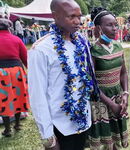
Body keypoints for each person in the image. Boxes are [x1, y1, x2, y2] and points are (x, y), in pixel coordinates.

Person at [28, 0, 98, 149]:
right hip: (59, 126)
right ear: (55, 16)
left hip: (83, 121)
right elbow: (37, 95)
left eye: (79, 16)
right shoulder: (41, 49)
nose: (78, 21)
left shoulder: (81, 42)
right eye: (71, 16)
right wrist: (48, 136)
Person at [88, 7, 129, 150]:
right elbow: (91, 83)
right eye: (109, 25)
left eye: (115, 24)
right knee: (105, 140)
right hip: (101, 99)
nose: (114, 28)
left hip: (117, 95)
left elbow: (123, 73)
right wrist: (111, 104)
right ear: (99, 28)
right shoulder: (92, 50)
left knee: (115, 135)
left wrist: (125, 94)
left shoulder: (118, 46)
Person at [0, 13, 29, 137]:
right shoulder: (16, 39)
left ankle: (7, 129)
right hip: (17, 72)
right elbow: (25, 58)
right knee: (18, 98)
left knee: (3, 100)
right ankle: (17, 124)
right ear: (9, 28)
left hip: (1, 72)